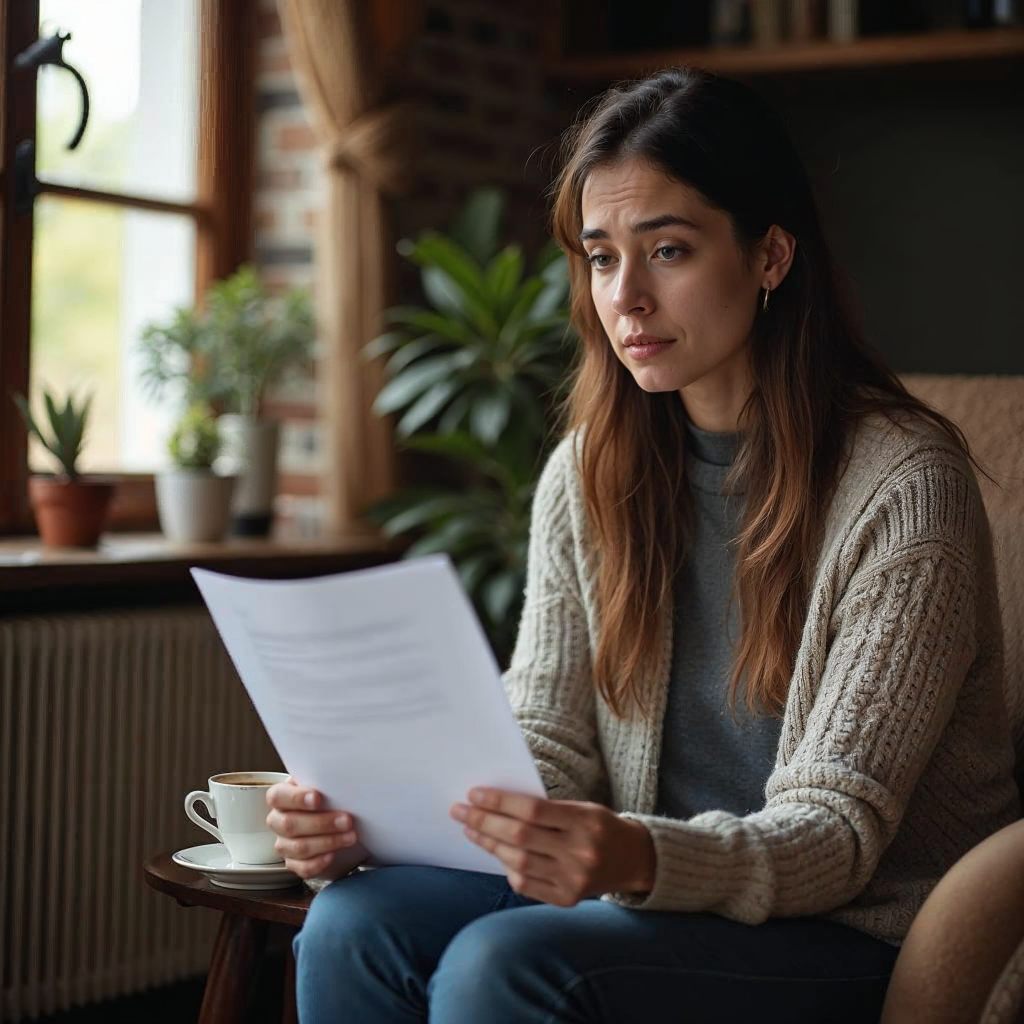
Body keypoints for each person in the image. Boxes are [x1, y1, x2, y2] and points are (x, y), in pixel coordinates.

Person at [265, 66, 1021, 1023]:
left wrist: (637, 855)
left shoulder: (904, 487)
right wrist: (385, 817)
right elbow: (545, 736)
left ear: (771, 255)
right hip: (645, 887)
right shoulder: (589, 472)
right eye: (600, 256)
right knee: (352, 919)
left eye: (668, 250)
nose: (626, 297)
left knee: (508, 965)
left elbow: (836, 833)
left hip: (852, 926)